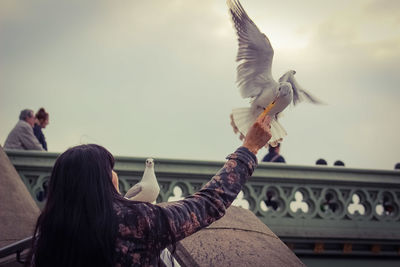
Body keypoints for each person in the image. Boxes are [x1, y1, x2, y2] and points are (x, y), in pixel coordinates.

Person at [26, 115, 273, 267]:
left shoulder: (50, 231)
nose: (115, 174)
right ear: (101, 179)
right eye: (110, 169)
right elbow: (207, 204)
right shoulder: (137, 220)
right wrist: (249, 148)